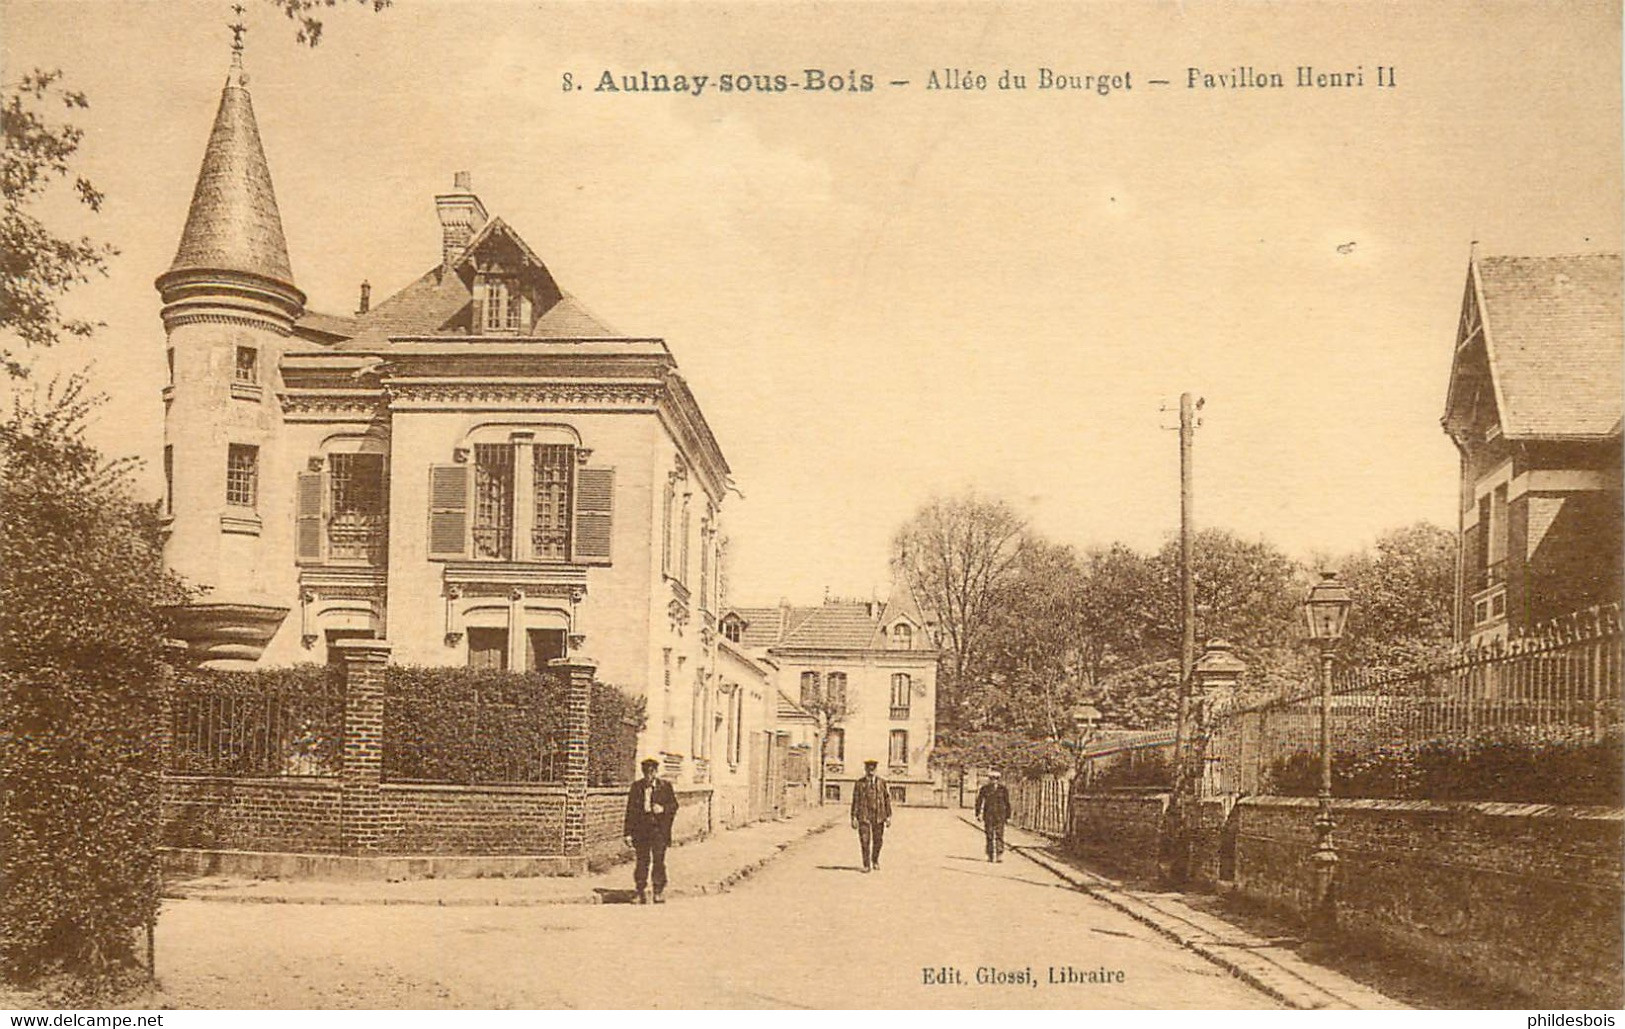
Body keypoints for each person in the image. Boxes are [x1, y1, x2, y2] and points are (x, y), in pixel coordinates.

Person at [623, 757, 678, 903]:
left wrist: (663, 809)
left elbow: (674, 806)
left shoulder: (665, 786)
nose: (649, 775)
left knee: (659, 860)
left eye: (652, 772)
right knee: (642, 860)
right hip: (641, 829)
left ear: (656, 772)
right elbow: (630, 811)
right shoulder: (636, 787)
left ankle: (658, 891)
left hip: (659, 830)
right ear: (643, 773)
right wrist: (627, 833)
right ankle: (640, 891)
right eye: (646, 772)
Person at [850, 758, 892, 872]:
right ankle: (866, 865)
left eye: (873, 769)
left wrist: (888, 816)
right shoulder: (859, 784)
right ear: (865, 770)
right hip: (864, 815)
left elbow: (886, 799)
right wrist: (853, 817)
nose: (871, 772)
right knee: (864, 840)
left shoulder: (881, 783)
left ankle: (875, 860)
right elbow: (855, 800)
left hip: (879, 816)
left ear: (876, 770)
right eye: (869, 769)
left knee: (878, 840)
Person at [975, 769, 1012, 862]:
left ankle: (999, 855)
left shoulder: (1003, 789)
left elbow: (1007, 803)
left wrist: (1008, 816)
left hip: (1000, 815)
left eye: (996, 779)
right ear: (989, 779)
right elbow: (979, 801)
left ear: (998, 779)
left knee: (999, 835)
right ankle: (990, 855)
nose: (994, 780)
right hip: (988, 815)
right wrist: (978, 813)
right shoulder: (984, 789)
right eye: (992, 778)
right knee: (989, 835)